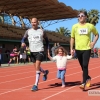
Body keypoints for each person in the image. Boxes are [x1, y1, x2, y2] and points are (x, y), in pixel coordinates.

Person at [70, 10, 99, 90]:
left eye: (82, 15)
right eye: (79, 16)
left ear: (86, 17)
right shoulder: (74, 26)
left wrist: (93, 42)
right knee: (83, 66)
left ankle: (83, 82)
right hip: (78, 49)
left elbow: (97, 34)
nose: (80, 17)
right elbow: (72, 38)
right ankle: (88, 77)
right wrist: (71, 48)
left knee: (85, 65)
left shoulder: (90, 26)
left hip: (87, 48)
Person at [21, 18, 49, 91]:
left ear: (37, 23)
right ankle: (45, 72)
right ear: (31, 23)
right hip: (32, 52)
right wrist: (22, 42)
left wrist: (47, 49)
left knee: (37, 67)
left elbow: (47, 41)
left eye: (35, 22)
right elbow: (23, 39)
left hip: (40, 50)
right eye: (32, 22)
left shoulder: (42, 31)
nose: (33, 23)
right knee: (37, 67)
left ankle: (35, 85)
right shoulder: (28, 31)